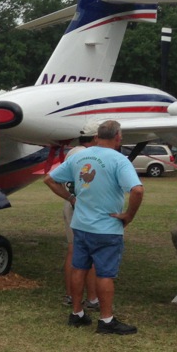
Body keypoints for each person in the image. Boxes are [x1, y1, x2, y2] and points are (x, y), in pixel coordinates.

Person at [43, 120, 143, 335]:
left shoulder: (79, 156)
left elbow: (49, 179)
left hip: (80, 225)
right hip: (107, 227)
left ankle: (77, 313)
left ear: (97, 137)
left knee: (79, 268)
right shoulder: (119, 160)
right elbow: (137, 190)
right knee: (105, 274)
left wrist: (71, 198)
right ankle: (106, 320)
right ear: (118, 138)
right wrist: (129, 216)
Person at [61, 135, 99, 310]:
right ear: (95, 138)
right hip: (82, 205)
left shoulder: (73, 153)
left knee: (73, 250)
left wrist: (69, 198)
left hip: (72, 203)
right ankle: (92, 298)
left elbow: (55, 179)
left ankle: (71, 296)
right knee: (89, 252)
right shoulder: (87, 155)